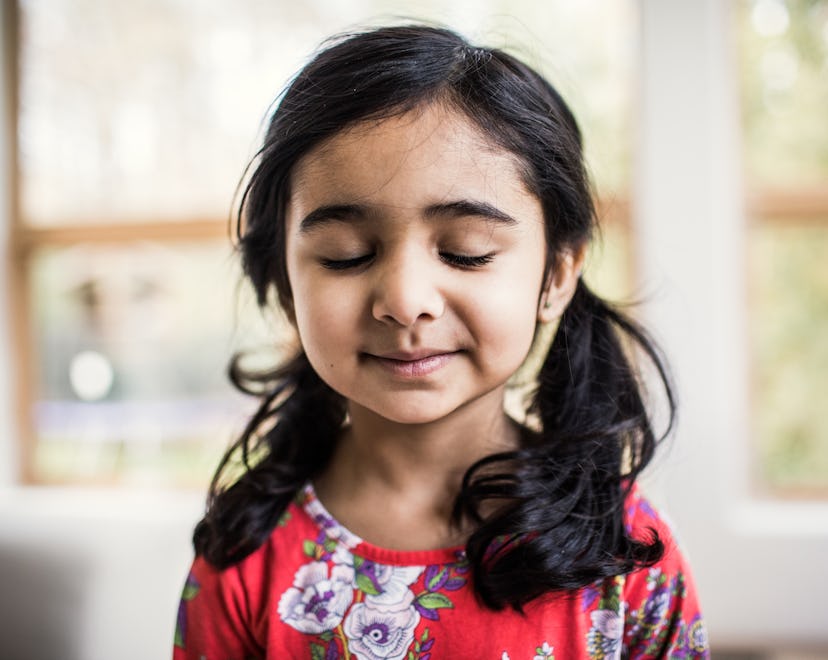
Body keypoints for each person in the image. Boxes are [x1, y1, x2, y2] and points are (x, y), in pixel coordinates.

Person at [173, 24, 709, 659]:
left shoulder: (625, 552)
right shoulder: (245, 558)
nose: (404, 300)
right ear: (286, 284)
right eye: (346, 256)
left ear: (557, 273)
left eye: (466, 252)